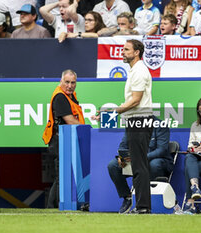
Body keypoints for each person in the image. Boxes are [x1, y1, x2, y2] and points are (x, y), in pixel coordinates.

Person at [92, 39, 153, 214]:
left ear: (136, 52)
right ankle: (142, 206)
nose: (122, 52)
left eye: (126, 49)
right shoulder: (135, 71)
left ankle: (143, 207)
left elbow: (135, 100)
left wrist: (113, 111)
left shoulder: (140, 71)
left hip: (139, 121)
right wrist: (107, 114)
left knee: (139, 166)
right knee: (138, 165)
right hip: (136, 120)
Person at [107, 116, 173, 214]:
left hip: (156, 160)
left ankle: (149, 200)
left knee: (154, 164)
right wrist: (122, 157)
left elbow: (161, 150)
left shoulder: (160, 125)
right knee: (113, 165)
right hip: (136, 160)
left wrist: (141, 158)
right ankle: (128, 197)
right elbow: (123, 146)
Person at [42, 69, 85, 208]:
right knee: (61, 176)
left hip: (65, 140)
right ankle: (53, 206)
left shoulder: (70, 96)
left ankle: (54, 206)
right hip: (59, 141)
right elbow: (70, 121)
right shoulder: (60, 97)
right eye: (67, 82)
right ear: (61, 81)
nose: (70, 85)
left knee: (62, 176)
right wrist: (87, 129)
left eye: (73, 82)